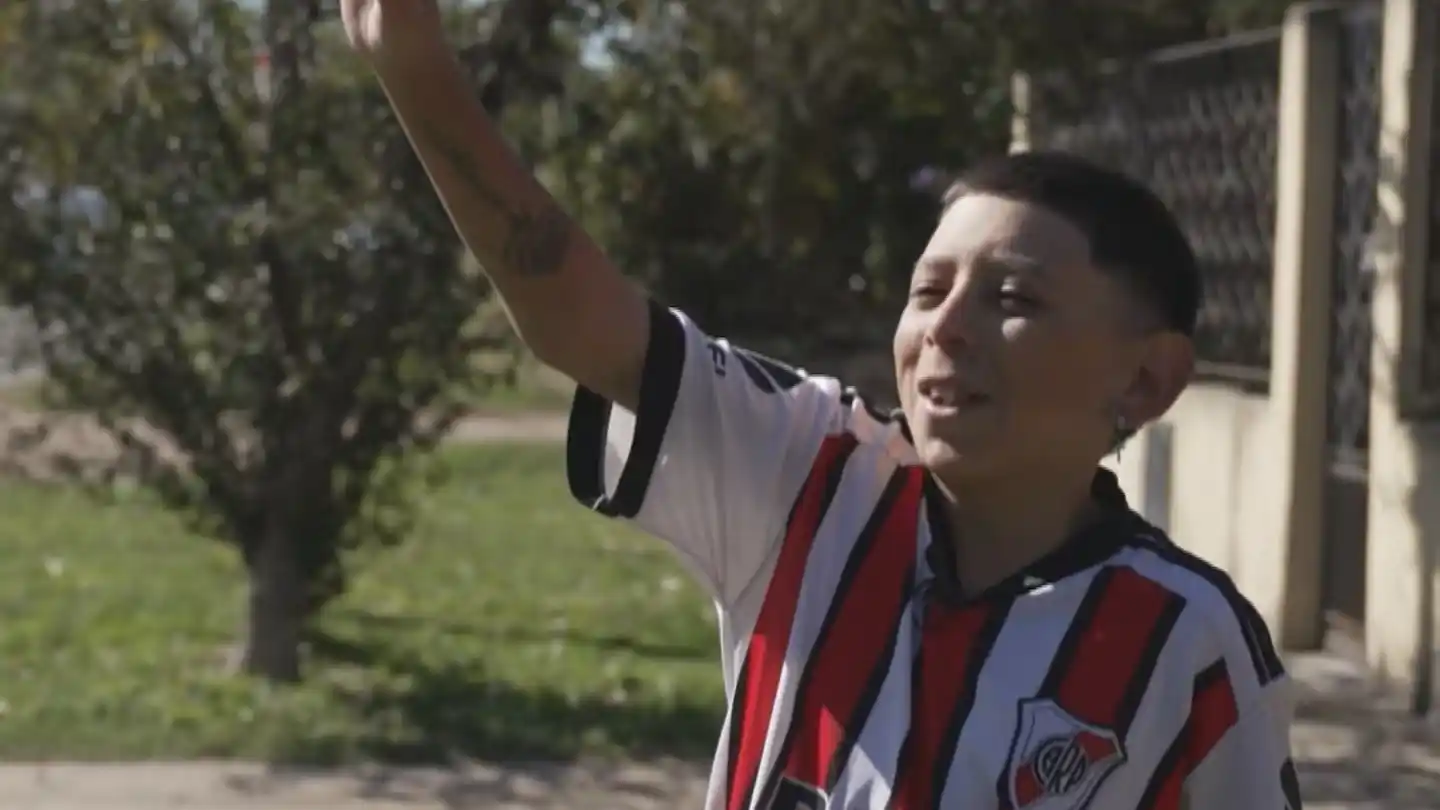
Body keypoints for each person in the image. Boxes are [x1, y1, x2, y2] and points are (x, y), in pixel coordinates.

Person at [340, 1, 1303, 807]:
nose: (946, 330)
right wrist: (417, 69)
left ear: (1145, 379)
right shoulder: (811, 480)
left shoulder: (1190, 643)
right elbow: (587, 327)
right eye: (928, 292)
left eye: (1012, 300)